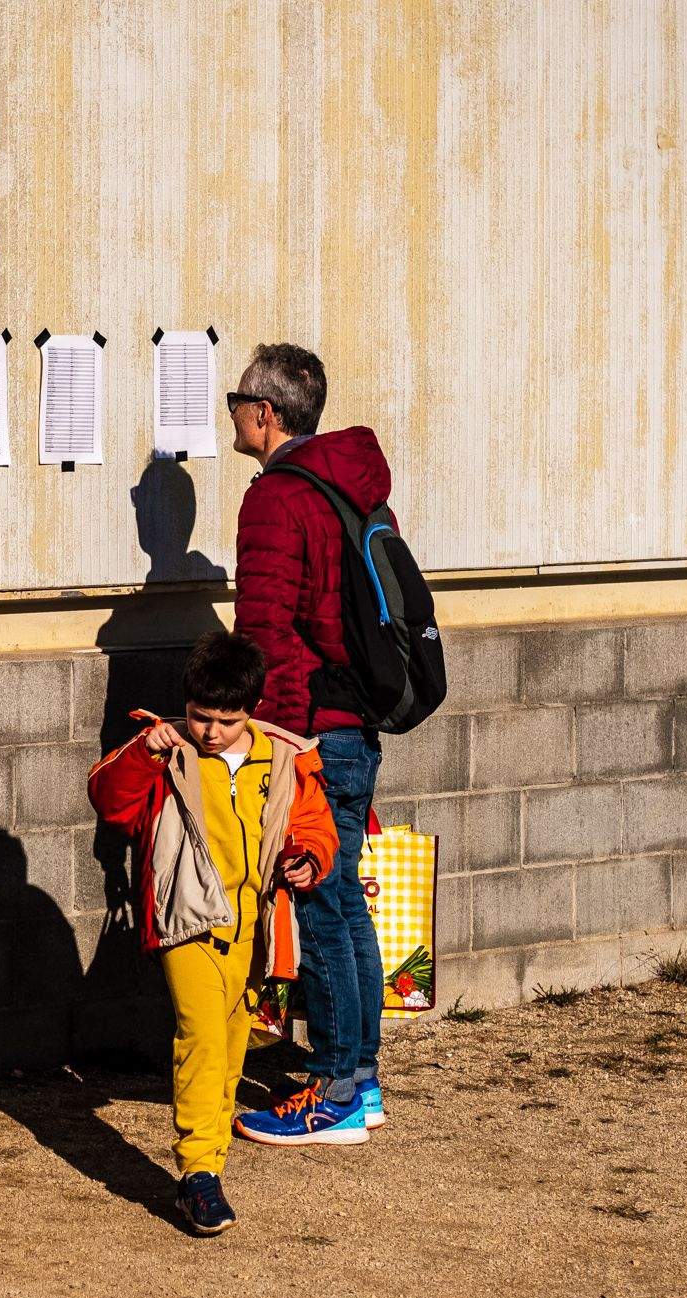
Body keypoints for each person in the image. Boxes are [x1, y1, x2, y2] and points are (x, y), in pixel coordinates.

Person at [87, 631, 338, 1234]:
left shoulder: (282, 757)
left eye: (226, 721)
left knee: (231, 1044)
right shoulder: (163, 748)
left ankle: (211, 1160)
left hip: (253, 924)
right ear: (187, 704)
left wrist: (309, 856)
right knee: (200, 1033)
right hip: (186, 918)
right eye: (201, 717)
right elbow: (110, 801)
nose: (210, 731)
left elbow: (314, 824)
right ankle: (199, 1173)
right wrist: (145, 754)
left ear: (251, 710)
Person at [224, 343, 397, 1148]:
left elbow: (265, 631)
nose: (232, 412)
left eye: (238, 399)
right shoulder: (350, 488)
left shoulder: (276, 500)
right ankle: (359, 1078)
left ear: (266, 413)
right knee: (345, 898)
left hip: (311, 731)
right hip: (357, 723)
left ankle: (331, 1091)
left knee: (320, 900)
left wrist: (276, 740)